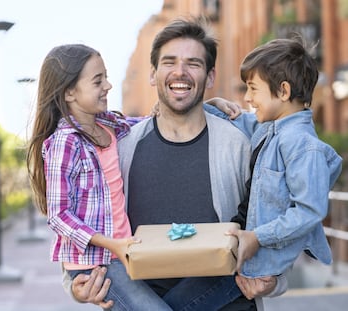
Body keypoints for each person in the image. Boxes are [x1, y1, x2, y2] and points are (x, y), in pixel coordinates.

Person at [63, 17, 288, 310]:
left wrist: (275, 280)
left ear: (209, 77)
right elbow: (79, 216)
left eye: (193, 63)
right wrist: (75, 287)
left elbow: (275, 222)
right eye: (169, 62)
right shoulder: (121, 149)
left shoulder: (238, 145)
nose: (180, 72)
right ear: (153, 74)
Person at [26, 43, 174, 310]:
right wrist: (112, 245)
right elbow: (58, 216)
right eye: (98, 81)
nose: (108, 85)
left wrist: (211, 107)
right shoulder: (65, 142)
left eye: (105, 77)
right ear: (69, 91)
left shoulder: (110, 125)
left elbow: (156, 121)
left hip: (123, 251)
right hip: (96, 262)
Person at [206, 37, 343, 280]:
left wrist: (257, 237)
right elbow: (232, 118)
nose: (247, 97)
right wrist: (209, 104)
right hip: (243, 250)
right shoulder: (268, 127)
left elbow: (309, 212)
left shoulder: (303, 148)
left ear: (283, 91)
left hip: (260, 262)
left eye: (253, 88)